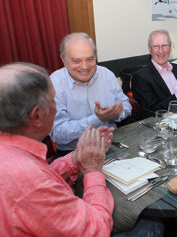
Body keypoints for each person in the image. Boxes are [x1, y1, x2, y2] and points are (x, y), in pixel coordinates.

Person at [0, 62, 115, 236]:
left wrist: (74, 159)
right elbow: (98, 229)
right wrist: (92, 170)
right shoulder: (29, 180)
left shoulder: (11, 152)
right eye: (53, 100)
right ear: (37, 115)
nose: (56, 107)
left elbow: (41, 177)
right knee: (150, 224)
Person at [50, 33, 132, 156]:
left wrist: (116, 113)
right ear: (63, 60)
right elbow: (58, 133)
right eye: (76, 61)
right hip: (73, 153)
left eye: (90, 59)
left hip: (113, 144)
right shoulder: (55, 83)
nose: (85, 67)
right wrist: (97, 119)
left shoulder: (106, 74)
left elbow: (127, 106)